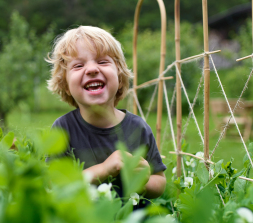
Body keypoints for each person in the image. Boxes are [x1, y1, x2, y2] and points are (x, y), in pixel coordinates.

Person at [46, 26, 166, 203]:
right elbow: (55, 185)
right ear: (65, 86)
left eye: (102, 62)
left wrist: (143, 180)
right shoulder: (63, 129)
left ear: (119, 78)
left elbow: (160, 182)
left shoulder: (137, 127)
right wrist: (104, 169)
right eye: (78, 65)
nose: (92, 69)